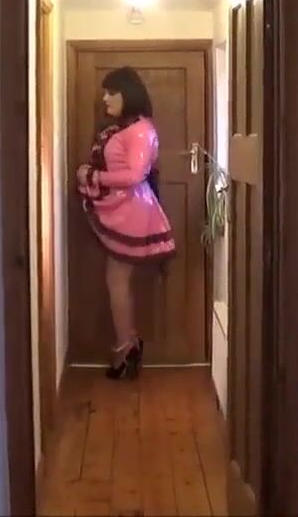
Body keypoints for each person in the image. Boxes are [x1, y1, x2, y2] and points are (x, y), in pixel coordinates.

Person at [75, 66, 176, 380]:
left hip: (130, 211)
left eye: (111, 93)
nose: (105, 99)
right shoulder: (129, 127)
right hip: (123, 207)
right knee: (116, 281)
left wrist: (93, 176)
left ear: (127, 94)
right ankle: (128, 344)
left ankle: (125, 349)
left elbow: (134, 175)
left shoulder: (141, 129)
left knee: (117, 281)